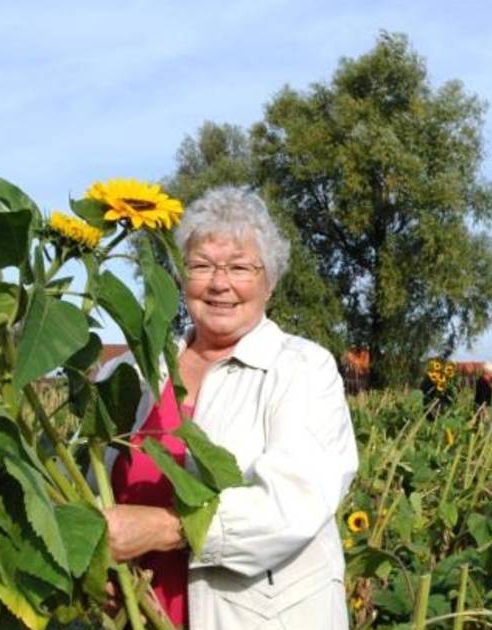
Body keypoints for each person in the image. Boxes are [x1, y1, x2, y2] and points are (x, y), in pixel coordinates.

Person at [94, 187, 359, 629]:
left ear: (269, 282)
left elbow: (292, 503)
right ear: (181, 279)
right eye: (201, 266)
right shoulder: (133, 370)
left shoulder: (302, 369)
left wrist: (165, 527)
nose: (220, 283)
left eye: (239, 267)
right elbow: (87, 485)